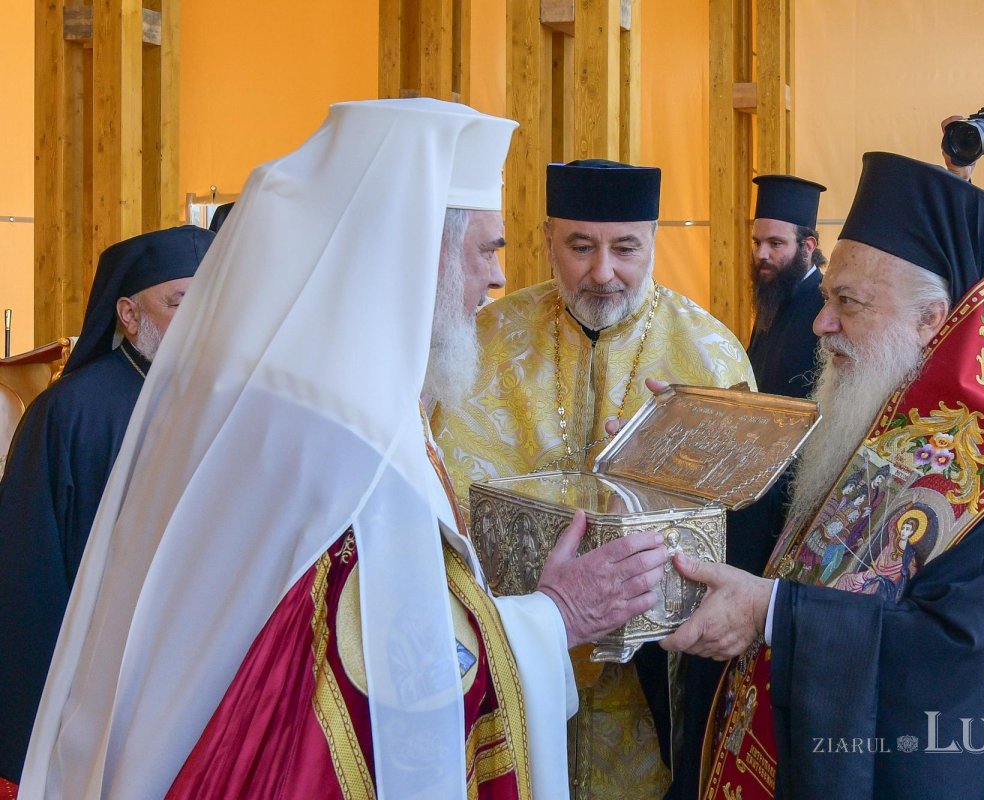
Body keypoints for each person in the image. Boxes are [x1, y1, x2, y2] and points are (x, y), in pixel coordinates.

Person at [20, 99, 669, 799]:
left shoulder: (304, 401)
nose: (497, 279)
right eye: (487, 250)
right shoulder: (349, 453)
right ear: (421, 258)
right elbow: (391, 695)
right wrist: (556, 617)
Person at [659, 152, 984, 799]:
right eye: (826, 298)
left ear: (932, 320)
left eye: (849, 302)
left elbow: (957, 671)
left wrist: (774, 615)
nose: (822, 323)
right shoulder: (889, 401)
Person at [434, 158, 755, 799]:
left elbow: (743, 532)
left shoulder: (711, 357)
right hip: (509, 671)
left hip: (653, 692)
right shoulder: (479, 343)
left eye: (625, 248)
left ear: (654, 241)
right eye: (580, 246)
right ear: (548, 238)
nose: (603, 271)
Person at [0, 225, 213, 785]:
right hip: (92, 679)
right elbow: (28, 574)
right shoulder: (68, 413)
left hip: (189, 667)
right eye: (179, 303)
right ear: (128, 312)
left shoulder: (221, 405)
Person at [746, 174, 827, 398]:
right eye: (757, 242)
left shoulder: (826, 307)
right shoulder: (772, 294)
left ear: (808, 246)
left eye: (775, 243)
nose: (761, 254)